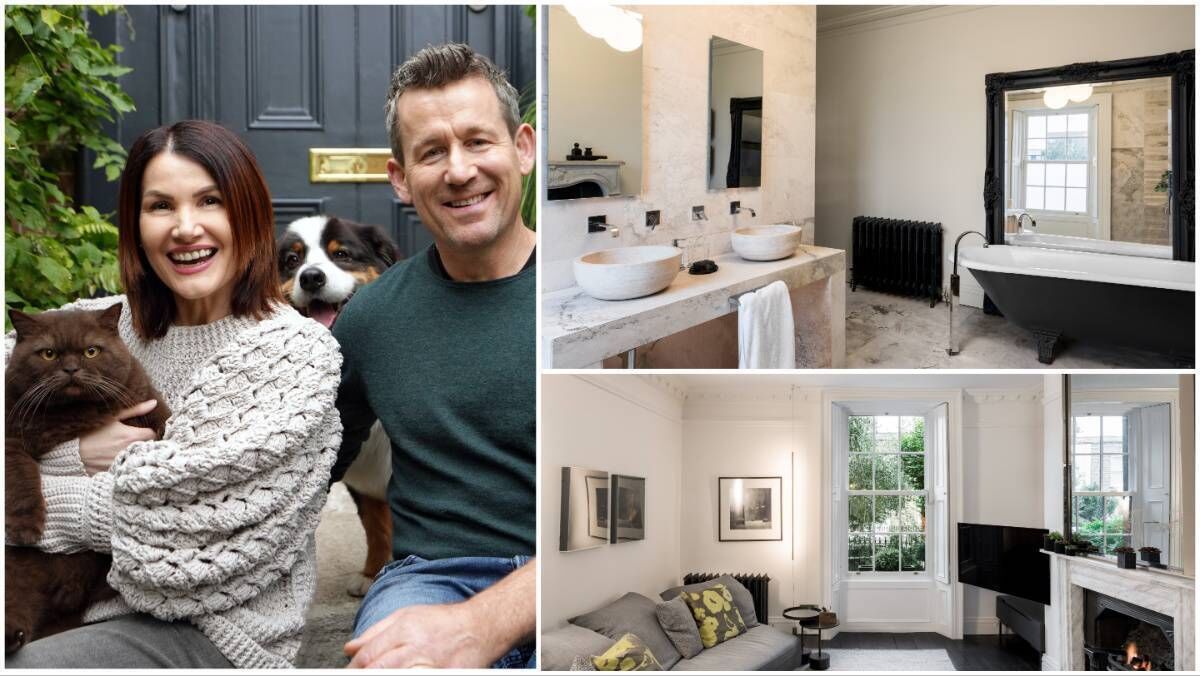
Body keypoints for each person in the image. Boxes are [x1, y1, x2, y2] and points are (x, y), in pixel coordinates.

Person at [4, 120, 343, 668]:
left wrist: (36, 496)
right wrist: (76, 454)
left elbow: (187, 540)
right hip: (57, 602)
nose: (186, 228)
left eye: (210, 201)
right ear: (136, 225)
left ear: (247, 212)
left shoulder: (289, 351)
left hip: (208, 628)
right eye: (160, 206)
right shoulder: (95, 327)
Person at [329, 43, 536, 669]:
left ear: (522, 148)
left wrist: (485, 624)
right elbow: (305, 464)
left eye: (478, 141)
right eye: (431, 152)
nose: (458, 170)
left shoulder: (593, 305)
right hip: (431, 575)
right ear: (400, 179)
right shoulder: (369, 320)